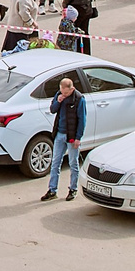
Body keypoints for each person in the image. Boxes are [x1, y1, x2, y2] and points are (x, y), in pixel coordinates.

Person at [42, 73, 86, 202]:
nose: (63, 95)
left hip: (72, 136)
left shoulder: (79, 99)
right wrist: (58, 101)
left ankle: (73, 189)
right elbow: (52, 109)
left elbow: (82, 120)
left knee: (73, 163)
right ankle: (52, 190)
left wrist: (78, 138)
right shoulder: (59, 95)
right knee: (55, 163)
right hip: (59, 134)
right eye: (62, 92)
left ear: (71, 89)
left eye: (65, 93)